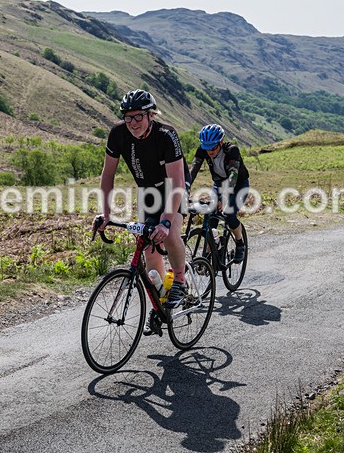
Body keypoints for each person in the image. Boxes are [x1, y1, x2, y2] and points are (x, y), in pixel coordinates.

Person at [99, 89, 189, 314]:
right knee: (149, 247)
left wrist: (165, 221)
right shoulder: (118, 134)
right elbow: (108, 175)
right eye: (128, 117)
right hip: (148, 190)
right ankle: (160, 305)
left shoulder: (166, 135)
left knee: (170, 233)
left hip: (174, 186)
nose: (132, 122)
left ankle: (180, 280)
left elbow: (177, 183)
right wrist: (106, 214)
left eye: (138, 116)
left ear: (151, 115)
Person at [188, 124, 249, 264]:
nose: (209, 151)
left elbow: (233, 176)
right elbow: (193, 171)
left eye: (213, 147)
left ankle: (240, 243)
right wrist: (184, 189)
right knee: (210, 215)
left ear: (221, 142)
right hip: (219, 184)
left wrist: (224, 197)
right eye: (206, 147)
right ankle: (213, 248)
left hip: (238, 185)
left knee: (228, 213)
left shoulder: (232, 150)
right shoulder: (203, 150)